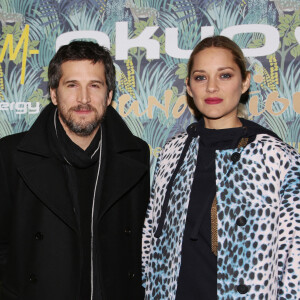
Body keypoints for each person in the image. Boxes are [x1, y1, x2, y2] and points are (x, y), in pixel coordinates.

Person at [142, 36, 300, 299]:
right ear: (190, 88)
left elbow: (295, 258)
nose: (212, 88)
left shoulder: (276, 157)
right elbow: (151, 237)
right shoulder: (173, 151)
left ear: (245, 81)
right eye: (201, 77)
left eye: (225, 75)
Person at [0, 41, 150, 300]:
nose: (83, 99)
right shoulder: (12, 154)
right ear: (54, 94)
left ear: (109, 95)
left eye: (95, 85)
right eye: (72, 85)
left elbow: (139, 246)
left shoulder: (135, 155)